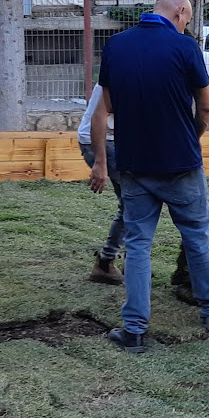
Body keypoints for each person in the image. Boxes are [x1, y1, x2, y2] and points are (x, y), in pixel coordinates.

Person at [89, 0, 209, 354]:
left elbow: (103, 109)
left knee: (138, 245)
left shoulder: (117, 46)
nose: (186, 24)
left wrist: (101, 160)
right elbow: (205, 109)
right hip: (181, 165)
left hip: (135, 164)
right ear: (180, 12)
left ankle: (134, 329)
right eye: (187, 19)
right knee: (196, 237)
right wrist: (192, 138)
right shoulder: (186, 48)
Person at [78, 83, 124, 284]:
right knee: (136, 204)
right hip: (106, 141)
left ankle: (114, 262)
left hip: (103, 139)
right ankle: (107, 262)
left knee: (132, 204)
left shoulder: (127, 59)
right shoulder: (125, 65)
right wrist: (100, 162)